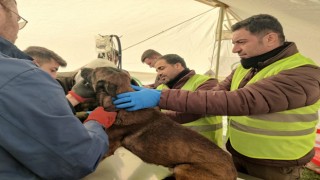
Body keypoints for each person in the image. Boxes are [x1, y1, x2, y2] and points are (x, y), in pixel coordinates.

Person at [113, 14, 320, 179]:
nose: (235, 49)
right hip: (238, 152)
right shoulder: (247, 68)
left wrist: (160, 98)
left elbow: (242, 101)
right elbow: (213, 96)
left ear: (270, 38)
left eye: (241, 42)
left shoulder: (301, 72)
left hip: (275, 164)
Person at [0, 0, 117, 179]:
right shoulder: (18, 75)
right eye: (17, 19)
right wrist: (96, 124)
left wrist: (70, 102)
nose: (17, 27)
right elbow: (77, 159)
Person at [154, 54, 223, 147]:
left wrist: (158, 118)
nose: (159, 73)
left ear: (177, 65)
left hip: (203, 145)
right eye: (157, 70)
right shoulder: (160, 87)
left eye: (161, 68)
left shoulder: (205, 82)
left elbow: (197, 111)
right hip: (172, 145)